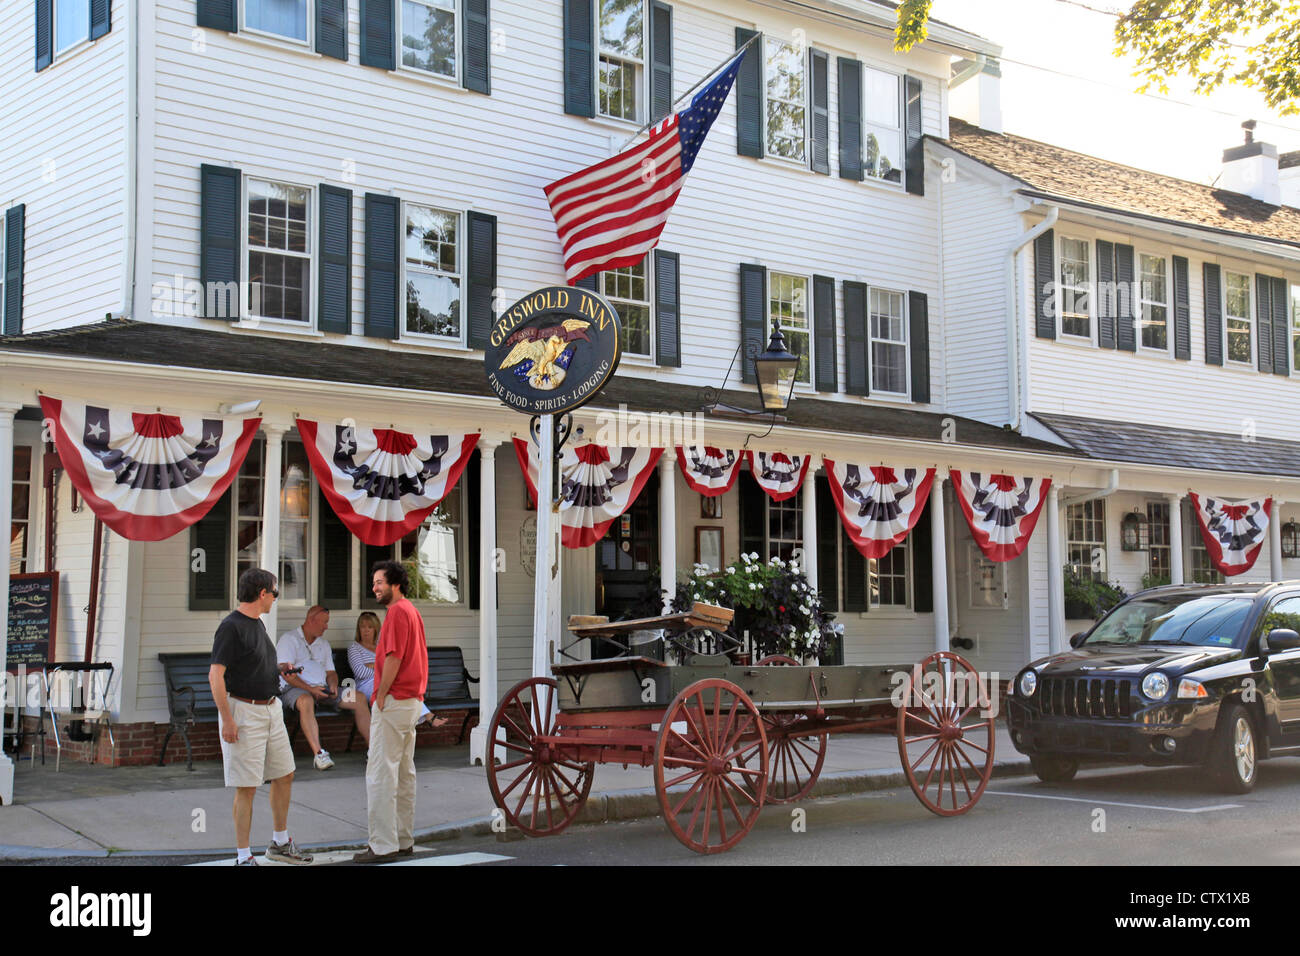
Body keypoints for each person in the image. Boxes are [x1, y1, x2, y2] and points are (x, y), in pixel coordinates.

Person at [208, 568, 312, 866]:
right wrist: (227, 719)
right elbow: (216, 676)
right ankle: (243, 857)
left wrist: (279, 670)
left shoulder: (257, 624)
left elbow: (250, 664)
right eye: (275, 593)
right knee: (247, 785)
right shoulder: (231, 627)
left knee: (284, 774)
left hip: (270, 708)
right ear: (262, 593)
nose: (275, 599)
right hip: (243, 712)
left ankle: (280, 843)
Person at [353, 561, 429, 863]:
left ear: (395, 584)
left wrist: (380, 694)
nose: (375, 588)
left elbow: (395, 657)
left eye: (379, 582)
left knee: (381, 774)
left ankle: (382, 845)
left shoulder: (397, 612)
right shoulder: (412, 610)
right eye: (374, 583)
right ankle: (403, 839)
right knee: (404, 773)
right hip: (412, 701)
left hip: (395, 700)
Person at [278, 606, 371, 763]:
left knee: (359, 698)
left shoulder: (323, 644)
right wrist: (310, 689)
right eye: (325, 622)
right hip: (296, 689)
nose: (327, 626)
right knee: (306, 701)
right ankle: (319, 754)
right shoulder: (289, 640)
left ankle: (374, 750)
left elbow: (331, 673)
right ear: (311, 620)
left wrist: (333, 686)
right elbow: (287, 675)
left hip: (323, 689)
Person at [348, 611, 442, 731]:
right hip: (366, 685)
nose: (366, 630)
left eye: (370, 627)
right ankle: (427, 716)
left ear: (376, 629)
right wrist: (383, 666)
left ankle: (422, 717)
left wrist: (373, 665)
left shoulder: (382, 646)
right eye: (362, 627)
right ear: (358, 629)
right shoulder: (354, 648)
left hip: (385, 681)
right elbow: (361, 673)